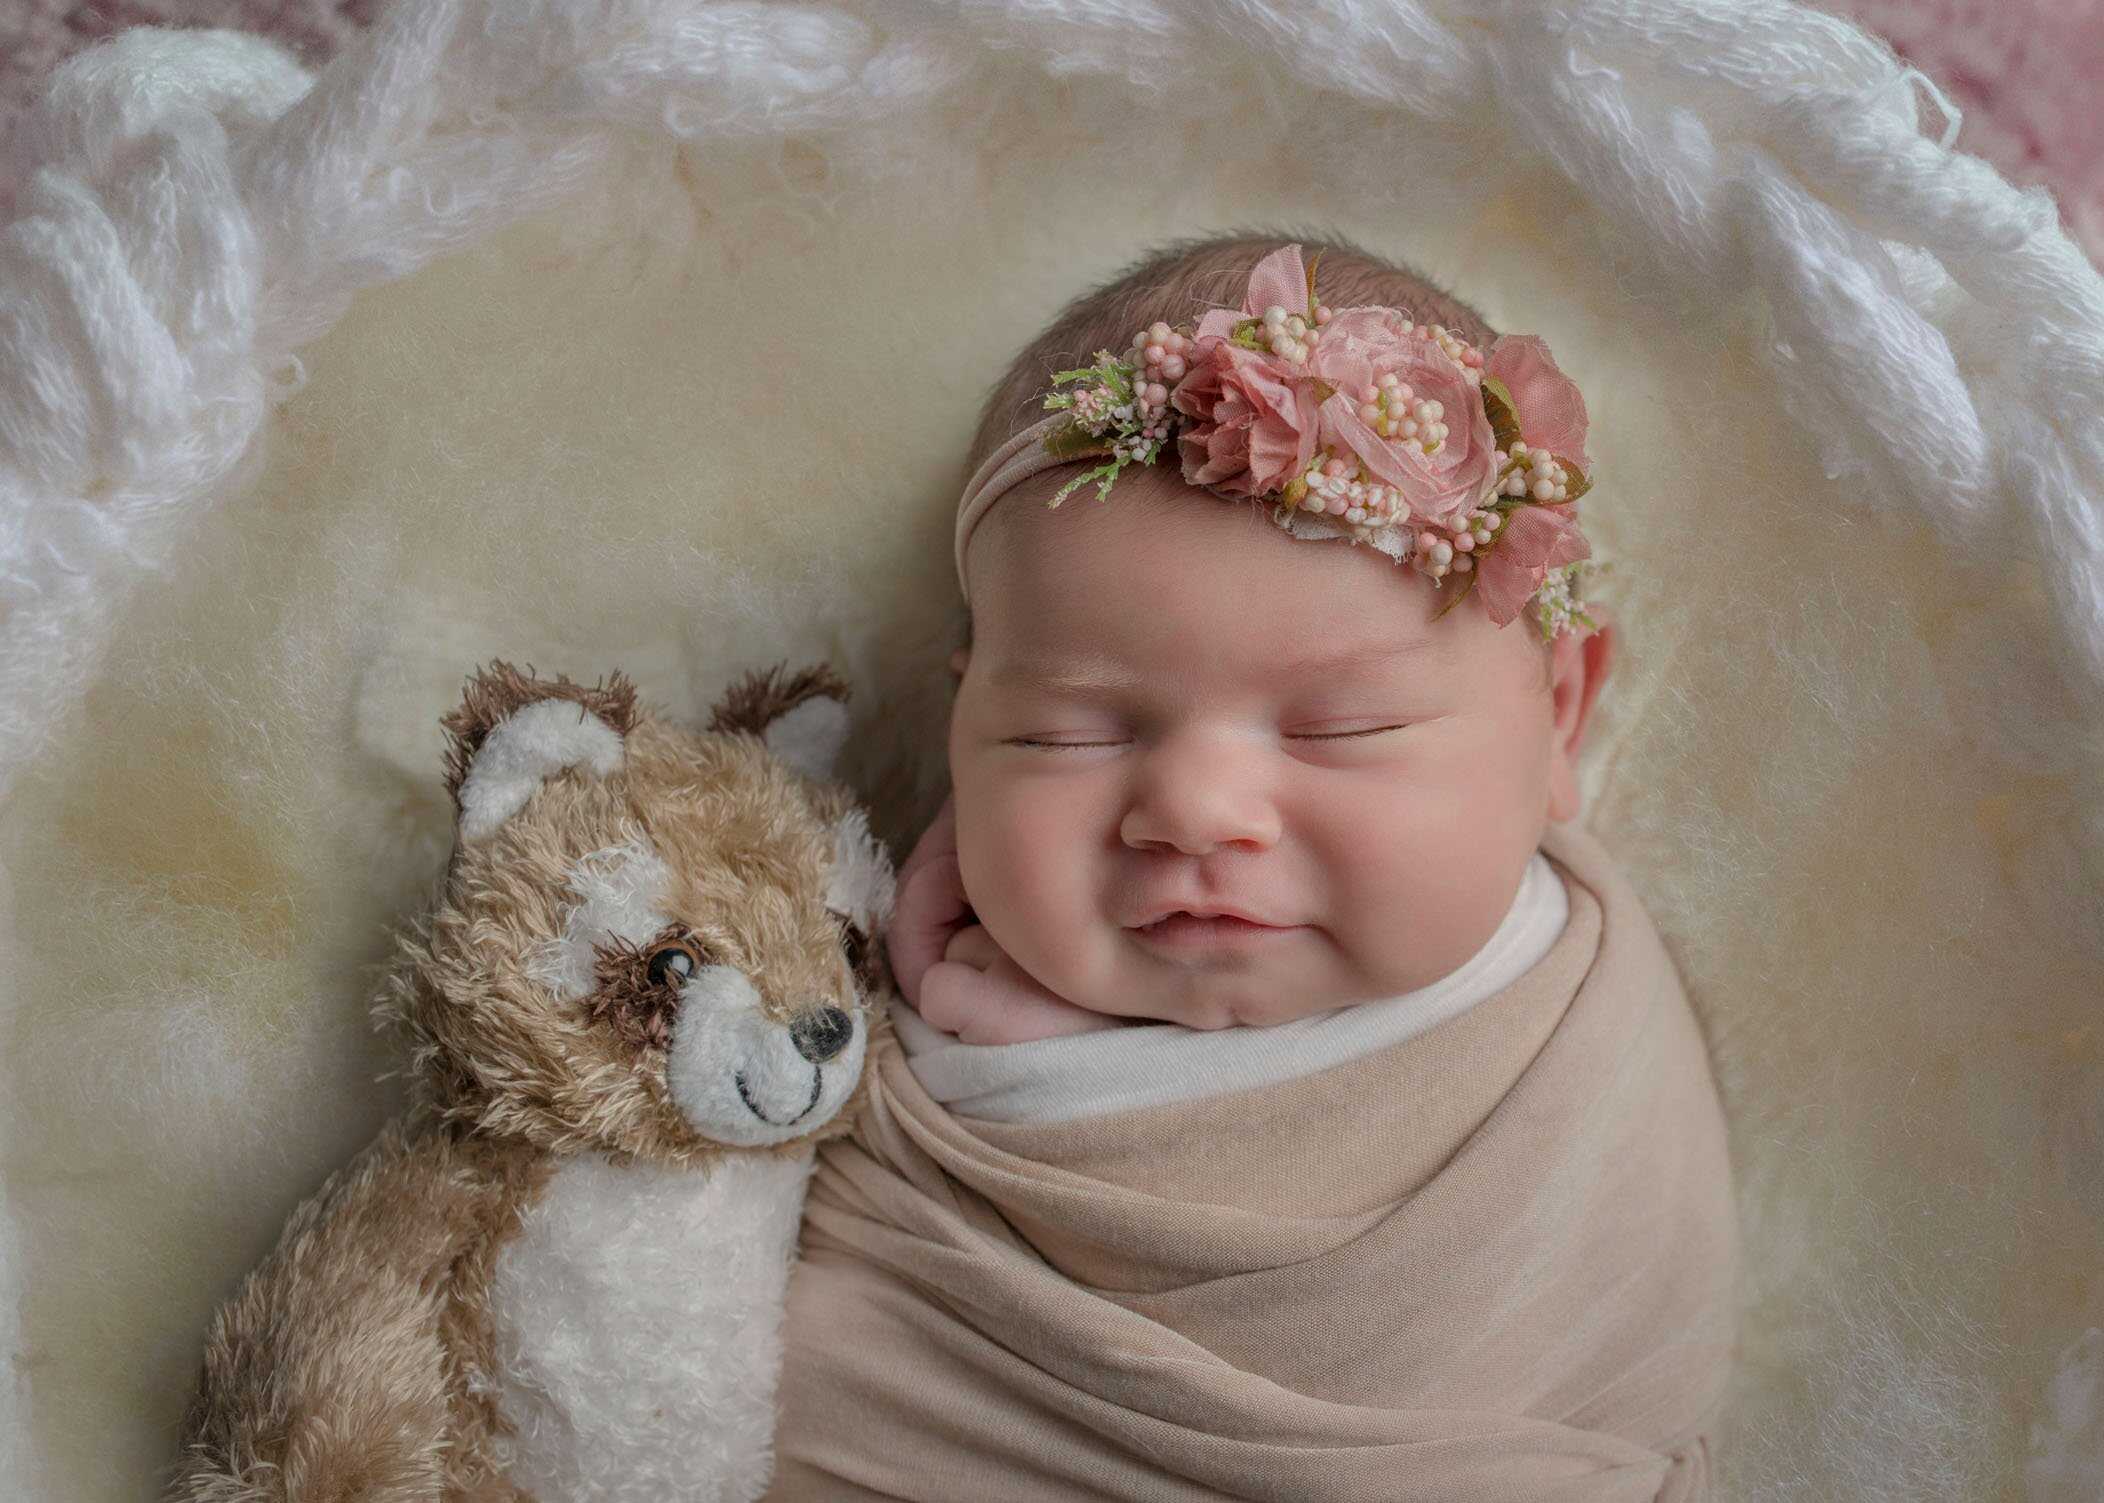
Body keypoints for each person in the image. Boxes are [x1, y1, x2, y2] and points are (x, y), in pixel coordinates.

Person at [762, 233, 1738, 1502]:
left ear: (1559, 715)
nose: (1194, 813)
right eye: (1066, 735)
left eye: (1343, 729)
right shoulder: (855, 1010)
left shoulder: (1574, 1034)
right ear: (959, 734)